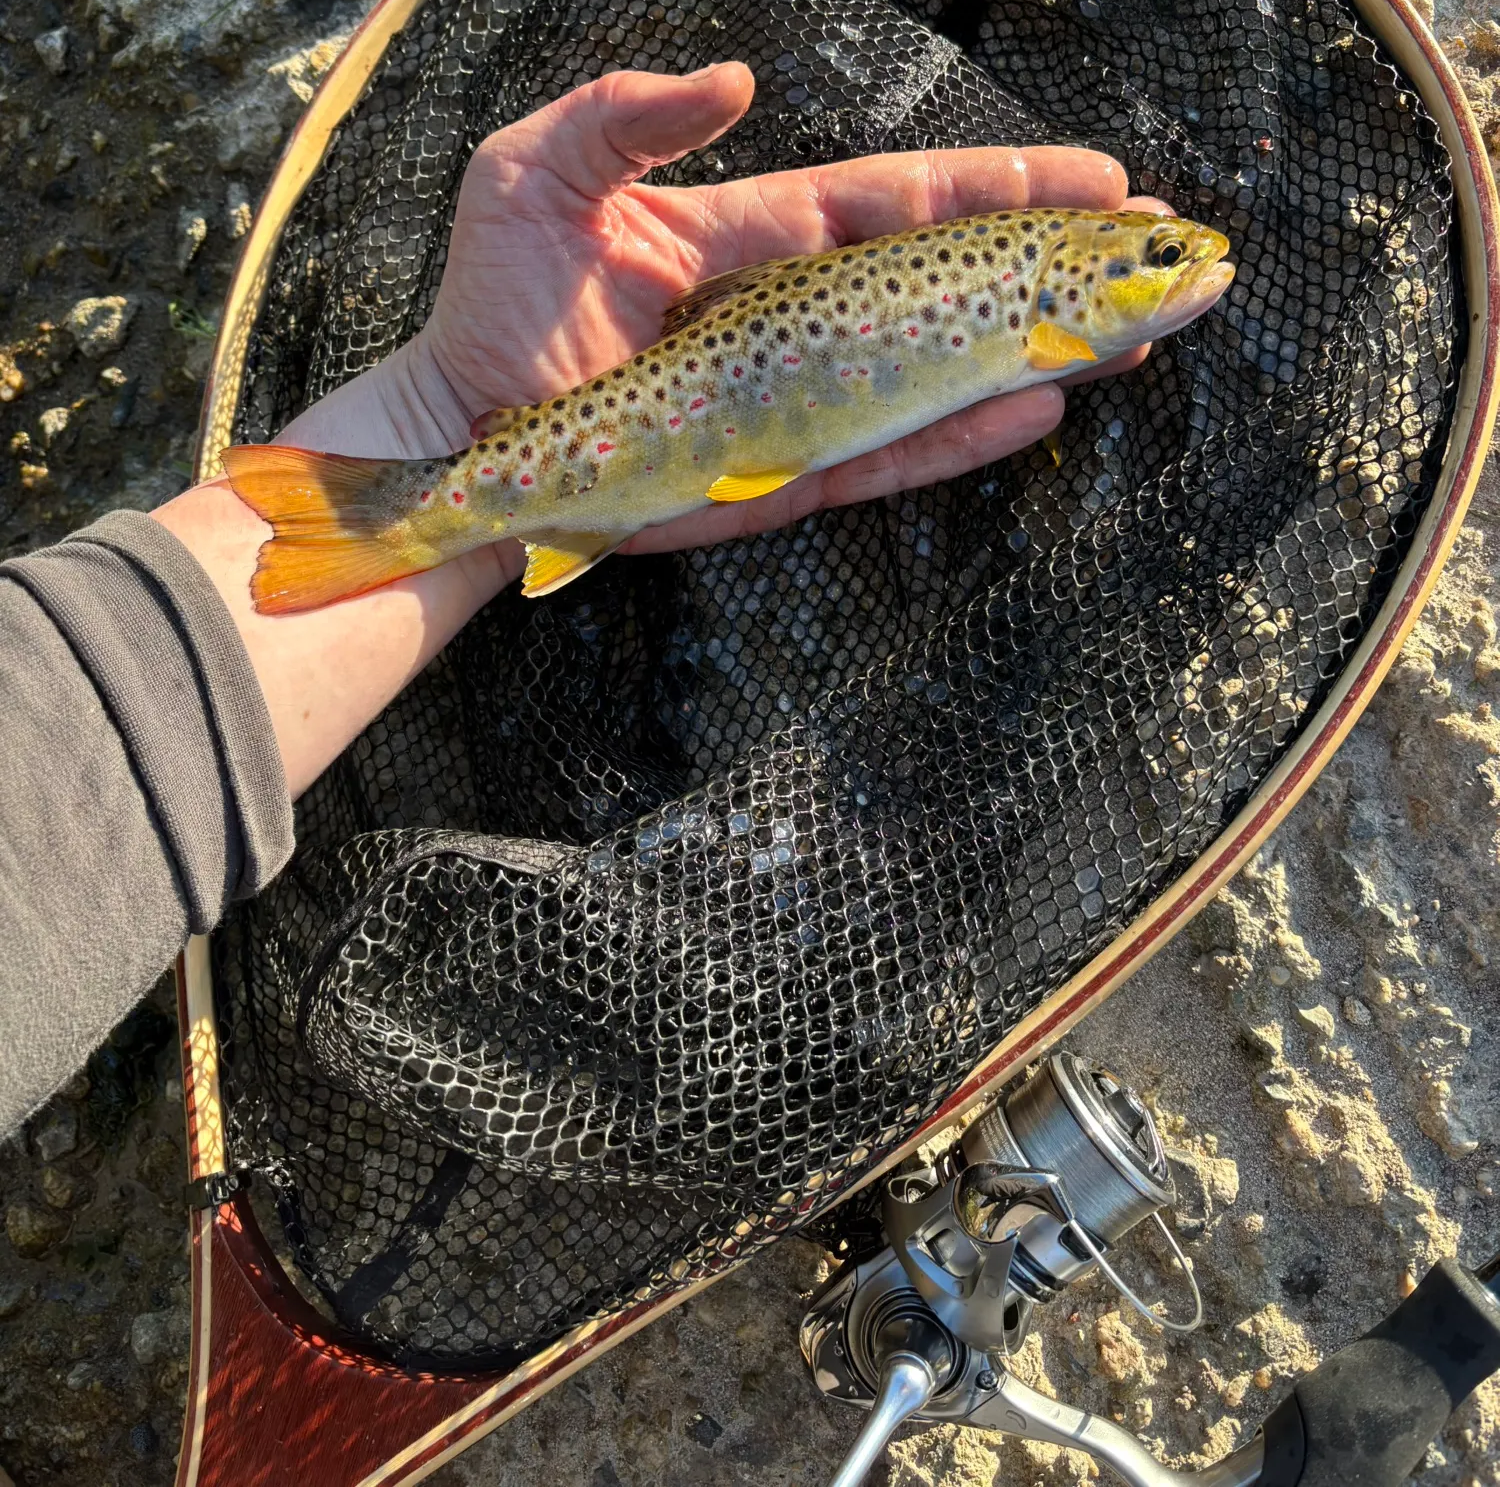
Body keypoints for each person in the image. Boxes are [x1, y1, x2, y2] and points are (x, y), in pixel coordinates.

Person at [0, 63, 1163, 1134]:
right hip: (667, 419)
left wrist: (435, 408)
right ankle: (434, 504)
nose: (1183, 270)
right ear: (1072, 285)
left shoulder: (1033, 294)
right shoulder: (1033, 299)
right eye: (1157, 267)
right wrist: (449, 412)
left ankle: (437, 501)